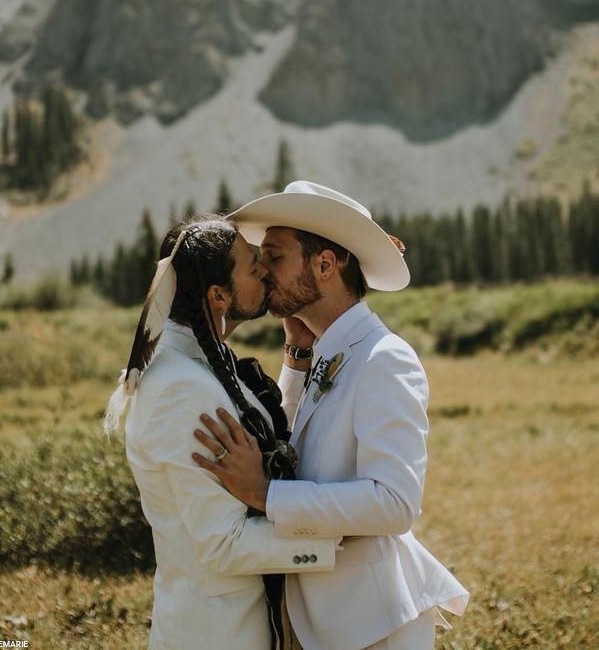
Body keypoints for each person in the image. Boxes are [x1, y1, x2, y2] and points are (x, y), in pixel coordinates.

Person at [193, 182, 469, 650]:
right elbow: (297, 449)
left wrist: (265, 494)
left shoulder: (385, 357)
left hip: (372, 626)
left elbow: (394, 503)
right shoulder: (326, 349)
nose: (262, 270)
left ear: (324, 265)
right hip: (326, 620)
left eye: (275, 257)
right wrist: (297, 359)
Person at [104, 215, 338, 650]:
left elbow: (264, 438)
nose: (265, 270)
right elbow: (223, 545)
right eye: (252, 266)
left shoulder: (203, 364)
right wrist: (340, 543)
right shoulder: (180, 390)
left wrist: (296, 356)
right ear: (218, 296)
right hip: (216, 634)